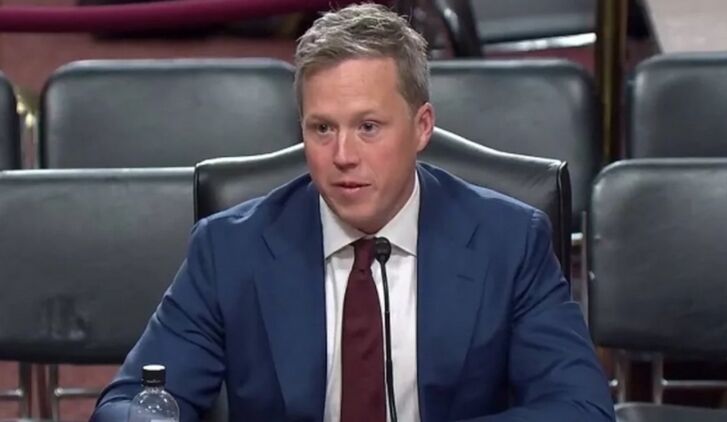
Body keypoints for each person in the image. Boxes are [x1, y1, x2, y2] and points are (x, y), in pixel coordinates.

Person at [91, 3, 614, 421]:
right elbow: (131, 400)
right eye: (323, 128)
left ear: (422, 127)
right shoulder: (230, 249)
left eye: (368, 127)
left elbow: (580, 407)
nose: (343, 155)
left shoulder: (508, 242)